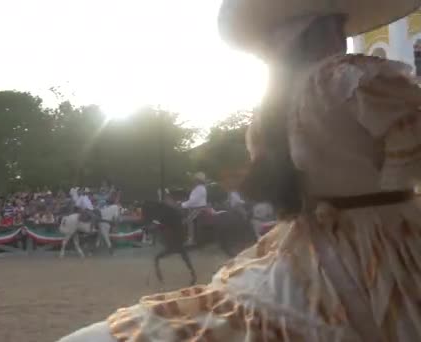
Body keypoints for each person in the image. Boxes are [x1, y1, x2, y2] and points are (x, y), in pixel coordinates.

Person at [59, 1, 421, 341]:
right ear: (321, 32)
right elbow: (411, 141)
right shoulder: (357, 76)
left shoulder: (274, 102)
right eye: (336, 26)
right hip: (385, 232)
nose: (341, 35)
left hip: (315, 232)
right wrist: (395, 186)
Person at [181, 172, 208, 245]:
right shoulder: (198, 188)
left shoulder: (199, 189)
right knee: (185, 217)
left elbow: (194, 201)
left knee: (189, 220)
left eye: (195, 180)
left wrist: (183, 204)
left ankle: (191, 240)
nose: (193, 181)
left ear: (198, 181)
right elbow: (192, 200)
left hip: (198, 208)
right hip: (195, 207)